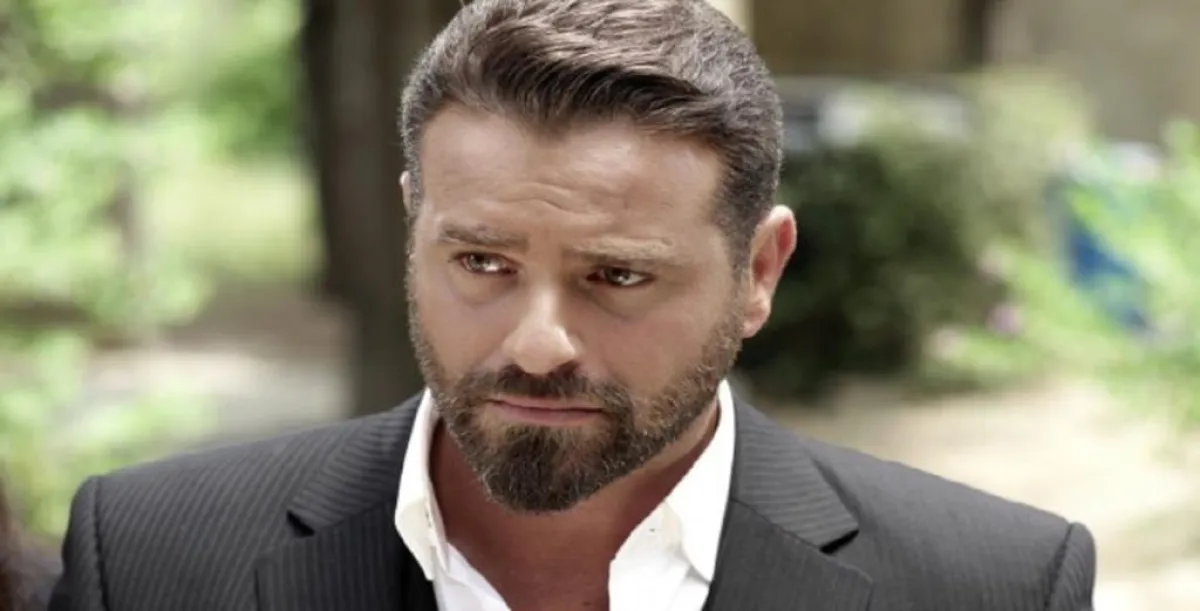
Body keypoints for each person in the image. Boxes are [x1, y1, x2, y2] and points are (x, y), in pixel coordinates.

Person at [49, 0, 1096, 609]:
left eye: (617, 275)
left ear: (759, 272)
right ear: (415, 226)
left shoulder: (990, 586)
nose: (538, 343)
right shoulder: (148, 559)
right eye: (482, 262)